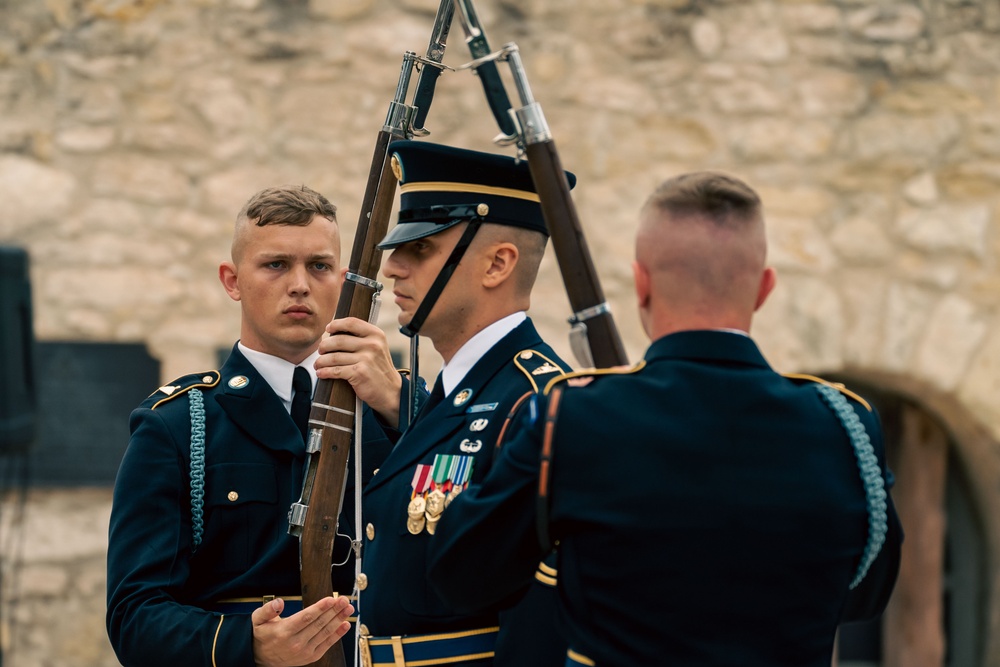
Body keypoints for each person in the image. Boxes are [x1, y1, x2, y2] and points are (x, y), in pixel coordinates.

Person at [426, 171, 904, 666]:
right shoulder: (846, 424)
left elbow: (461, 575)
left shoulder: (573, 418)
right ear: (764, 289)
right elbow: (866, 596)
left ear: (641, 284)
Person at [106, 185, 415, 667]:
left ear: (342, 280)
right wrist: (245, 644)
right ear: (232, 281)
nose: (299, 285)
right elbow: (134, 614)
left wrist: (403, 407)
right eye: (275, 265)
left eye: (319, 266)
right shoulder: (179, 424)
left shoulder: (392, 405)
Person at [323, 141, 573, 667]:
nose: (392, 268)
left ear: (497, 265)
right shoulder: (454, 397)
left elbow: (545, 620)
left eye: (421, 249)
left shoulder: (539, 404)